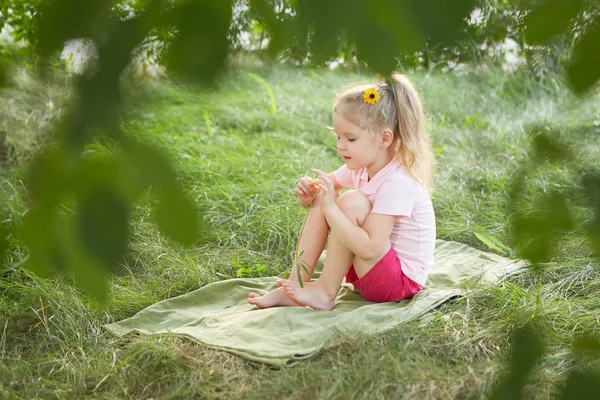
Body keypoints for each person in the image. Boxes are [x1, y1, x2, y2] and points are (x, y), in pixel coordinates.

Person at [248, 72, 436, 310]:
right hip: (368, 271)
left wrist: (330, 206)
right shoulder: (361, 166)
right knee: (325, 193)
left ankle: (325, 291)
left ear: (384, 138)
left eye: (351, 138)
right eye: (338, 137)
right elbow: (321, 200)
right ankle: (296, 285)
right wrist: (310, 196)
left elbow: (371, 248)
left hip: (398, 283)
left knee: (349, 202)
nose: (340, 146)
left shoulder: (398, 182)